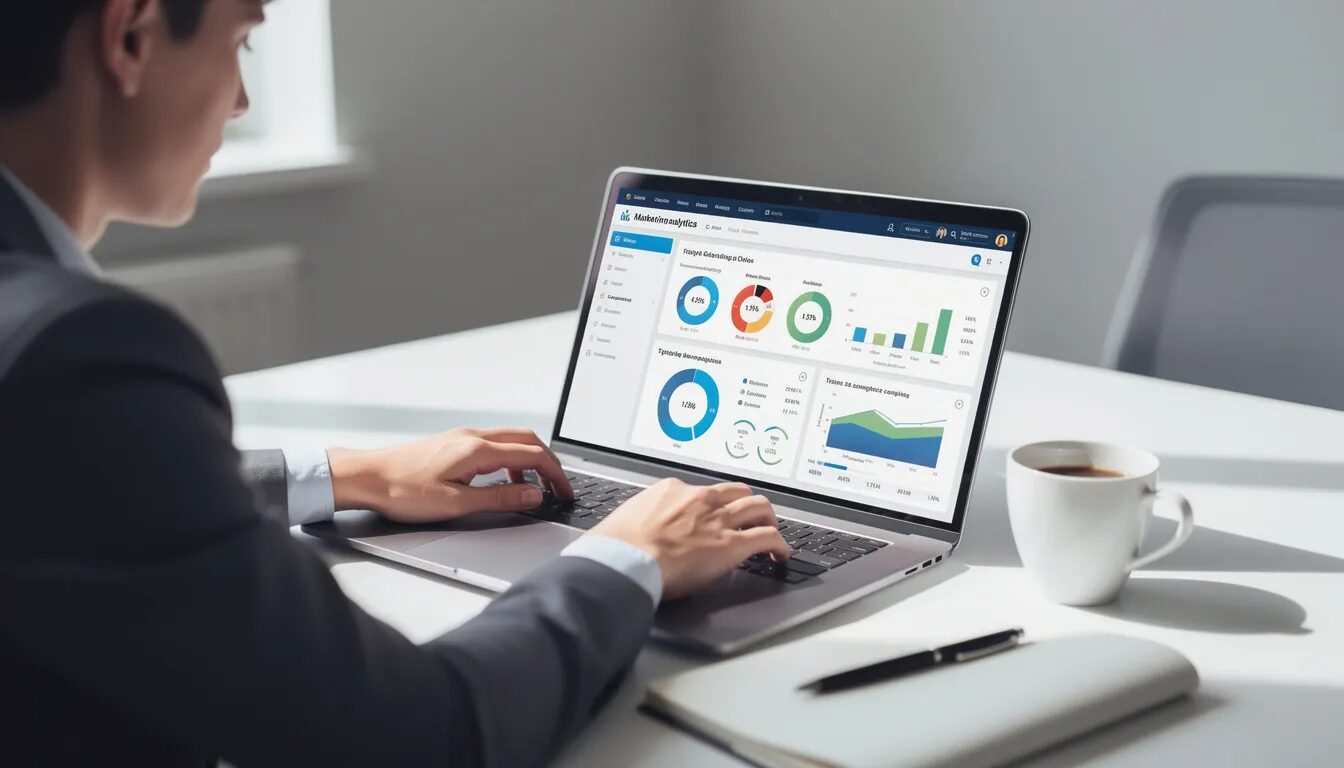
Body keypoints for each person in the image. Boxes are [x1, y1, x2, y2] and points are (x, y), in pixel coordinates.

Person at [0, 1, 790, 765]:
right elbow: (418, 735)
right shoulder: (76, 355)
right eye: (242, 42)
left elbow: (73, 483)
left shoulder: (47, 364)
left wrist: (346, 474)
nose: (241, 102)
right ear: (130, 37)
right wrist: (626, 559)